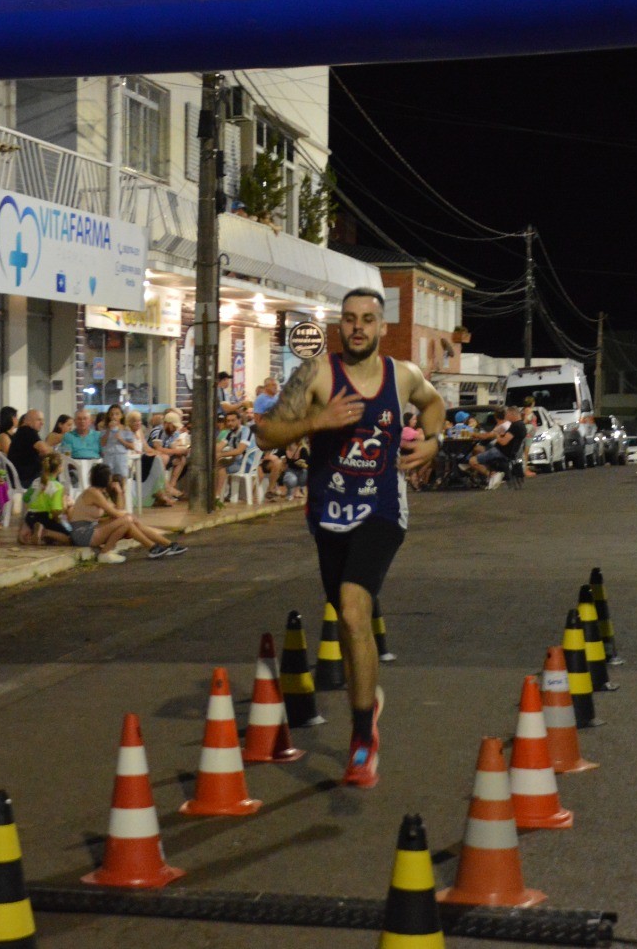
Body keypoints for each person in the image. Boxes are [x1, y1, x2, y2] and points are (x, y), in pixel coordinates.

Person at [254, 287, 444, 789]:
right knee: (343, 615)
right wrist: (317, 420)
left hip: (382, 509)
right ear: (340, 325)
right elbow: (265, 432)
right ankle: (368, 699)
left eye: (368, 319)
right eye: (349, 319)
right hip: (329, 513)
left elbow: (434, 403)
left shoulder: (401, 375)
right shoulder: (316, 374)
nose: (358, 326)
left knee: (355, 608)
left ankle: (362, 739)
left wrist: (433, 441)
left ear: (382, 327)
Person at [66, 463, 188, 563]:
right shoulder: (93, 493)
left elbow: (117, 509)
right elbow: (115, 513)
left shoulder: (100, 493)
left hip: (91, 528)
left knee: (128, 524)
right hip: (83, 533)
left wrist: (119, 492)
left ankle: (166, 545)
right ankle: (154, 547)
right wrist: (127, 515)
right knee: (128, 519)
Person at [464, 406, 526, 489]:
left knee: (472, 461)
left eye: (507, 414)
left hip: (500, 451)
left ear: (512, 414)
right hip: (505, 451)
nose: (506, 417)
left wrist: (497, 435)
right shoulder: (520, 425)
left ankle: (492, 474)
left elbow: (503, 442)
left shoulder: (514, 426)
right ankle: (484, 476)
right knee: (478, 450)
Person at [19, 450, 73, 546]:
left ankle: (27, 530)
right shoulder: (58, 487)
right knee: (70, 538)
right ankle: (45, 532)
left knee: (50, 537)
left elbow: (26, 498)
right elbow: (55, 510)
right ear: (59, 468)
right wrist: (65, 507)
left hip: (30, 516)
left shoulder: (36, 481)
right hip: (45, 517)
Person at [147, 409, 190, 506]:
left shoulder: (173, 433)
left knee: (181, 459)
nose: (175, 429)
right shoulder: (157, 431)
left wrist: (182, 449)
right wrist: (177, 451)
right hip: (151, 457)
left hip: (165, 455)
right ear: (167, 424)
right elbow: (158, 448)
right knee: (164, 457)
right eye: (173, 426)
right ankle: (167, 488)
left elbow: (172, 446)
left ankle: (171, 486)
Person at [7, 409, 52, 489]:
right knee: (56, 475)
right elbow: (45, 450)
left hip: (18, 477)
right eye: (39, 420)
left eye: (42, 420)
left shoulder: (21, 432)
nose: (42, 423)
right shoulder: (28, 431)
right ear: (27, 421)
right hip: (26, 479)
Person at [213, 409, 252, 501]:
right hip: (235, 461)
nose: (230, 423)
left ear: (239, 420)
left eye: (233, 420)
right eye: (228, 421)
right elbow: (219, 447)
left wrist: (221, 454)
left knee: (220, 467)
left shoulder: (246, 431)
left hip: (246, 464)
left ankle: (217, 496)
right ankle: (217, 494)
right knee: (214, 465)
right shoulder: (230, 433)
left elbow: (239, 450)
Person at [102, 403, 135, 509]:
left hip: (121, 457)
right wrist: (108, 430)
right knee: (108, 482)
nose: (114, 416)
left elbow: (131, 446)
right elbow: (102, 443)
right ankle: (111, 506)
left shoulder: (126, 430)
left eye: (117, 414)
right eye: (112, 414)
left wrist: (120, 439)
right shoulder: (105, 429)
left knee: (121, 483)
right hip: (108, 457)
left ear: (121, 416)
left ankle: (122, 507)